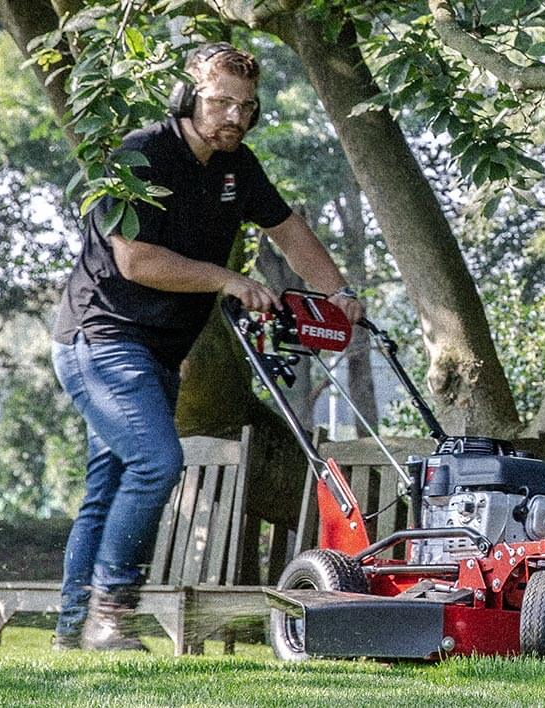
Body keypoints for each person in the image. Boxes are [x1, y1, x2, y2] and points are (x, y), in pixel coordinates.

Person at [48, 42, 365, 651]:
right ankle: (111, 615)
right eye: (221, 103)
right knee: (158, 463)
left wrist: (339, 292)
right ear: (188, 96)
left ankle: (71, 629)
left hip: (160, 355)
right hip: (100, 339)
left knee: (109, 487)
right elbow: (135, 260)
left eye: (246, 107)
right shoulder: (140, 157)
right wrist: (226, 278)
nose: (234, 118)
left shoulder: (238, 167)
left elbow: (291, 232)